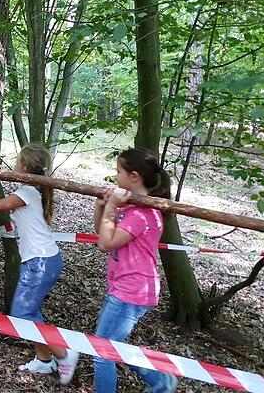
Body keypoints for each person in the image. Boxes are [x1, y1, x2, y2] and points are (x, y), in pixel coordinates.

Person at [0, 144, 79, 384]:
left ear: (24, 167)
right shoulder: (31, 190)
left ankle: (64, 353)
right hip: (41, 259)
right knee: (30, 312)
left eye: (17, 161)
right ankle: (45, 361)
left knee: (22, 314)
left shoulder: (26, 194)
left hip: (41, 261)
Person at [92, 147, 178, 393]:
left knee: (102, 352)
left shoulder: (143, 215)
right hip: (126, 286)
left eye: (118, 171)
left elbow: (105, 245)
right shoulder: (130, 207)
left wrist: (111, 208)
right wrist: (103, 207)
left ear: (134, 176)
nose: (115, 176)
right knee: (113, 345)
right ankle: (160, 381)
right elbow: (103, 233)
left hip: (133, 289)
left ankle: (160, 381)